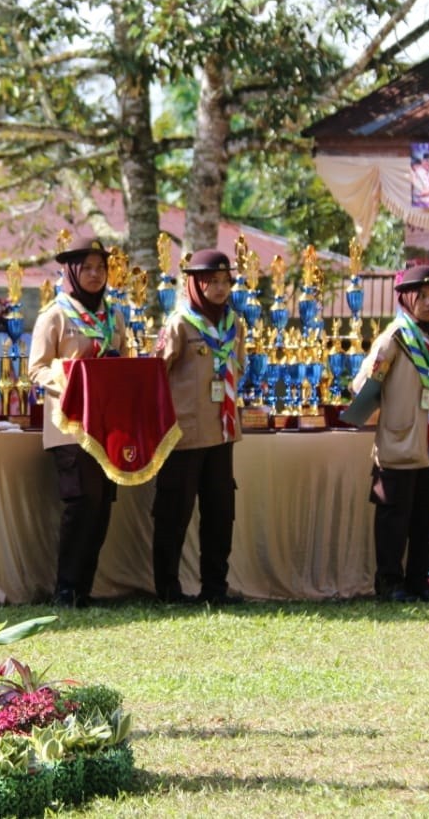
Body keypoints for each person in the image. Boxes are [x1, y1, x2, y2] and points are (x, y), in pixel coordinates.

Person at [27, 236, 128, 608]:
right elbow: (35, 369)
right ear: (71, 271)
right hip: (70, 425)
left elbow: (126, 363)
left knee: (102, 507)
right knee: (81, 504)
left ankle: (84, 588)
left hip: (108, 427)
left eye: (101, 268)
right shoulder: (55, 315)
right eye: (87, 268)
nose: (95, 274)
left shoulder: (113, 316)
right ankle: (65, 589)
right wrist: (72, 379)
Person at [352, 266, 429, 603]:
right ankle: (390, 582)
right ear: (406, 300)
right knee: (394, 519)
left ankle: (419, 581)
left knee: (426, 518)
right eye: (422, 297)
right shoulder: (394, 339)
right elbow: (364, 385)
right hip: (399, 443)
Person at [151, 249, 244, 605]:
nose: (220, 289)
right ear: (195, 284)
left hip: (222, 432)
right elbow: (158, 376)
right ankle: (168, 589)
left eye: (225, 282)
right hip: (184, 436)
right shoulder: (180, 324)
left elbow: (241, 366)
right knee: (174, 514)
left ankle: (215, 588)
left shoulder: (235, 325)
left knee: (220, 514)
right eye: (212, 282)